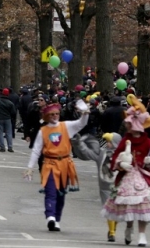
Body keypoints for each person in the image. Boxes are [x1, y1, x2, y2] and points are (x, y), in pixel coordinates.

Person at [102, 94, 150, 247]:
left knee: (144, 204)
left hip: (144, 177)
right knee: (129, 205)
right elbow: (117, 156)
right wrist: (120, 164)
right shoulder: (125, 139)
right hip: (128, 176)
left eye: (130, 123)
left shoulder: (148, 141)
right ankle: (129, 227)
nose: (127, 126)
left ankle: (142, 234)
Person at [24, 98, 89, 232]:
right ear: (47, 116)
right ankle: (50, 218)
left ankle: (57, 219)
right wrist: (30, 168)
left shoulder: (66, 126)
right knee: (51, 191)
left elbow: (81, 123)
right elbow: (36, 150)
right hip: (50, 164)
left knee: (61, 194)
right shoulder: (43, 131)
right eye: (52, 114)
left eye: (57, 114)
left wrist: (85, 113)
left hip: (65, 164)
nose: (55, 117)